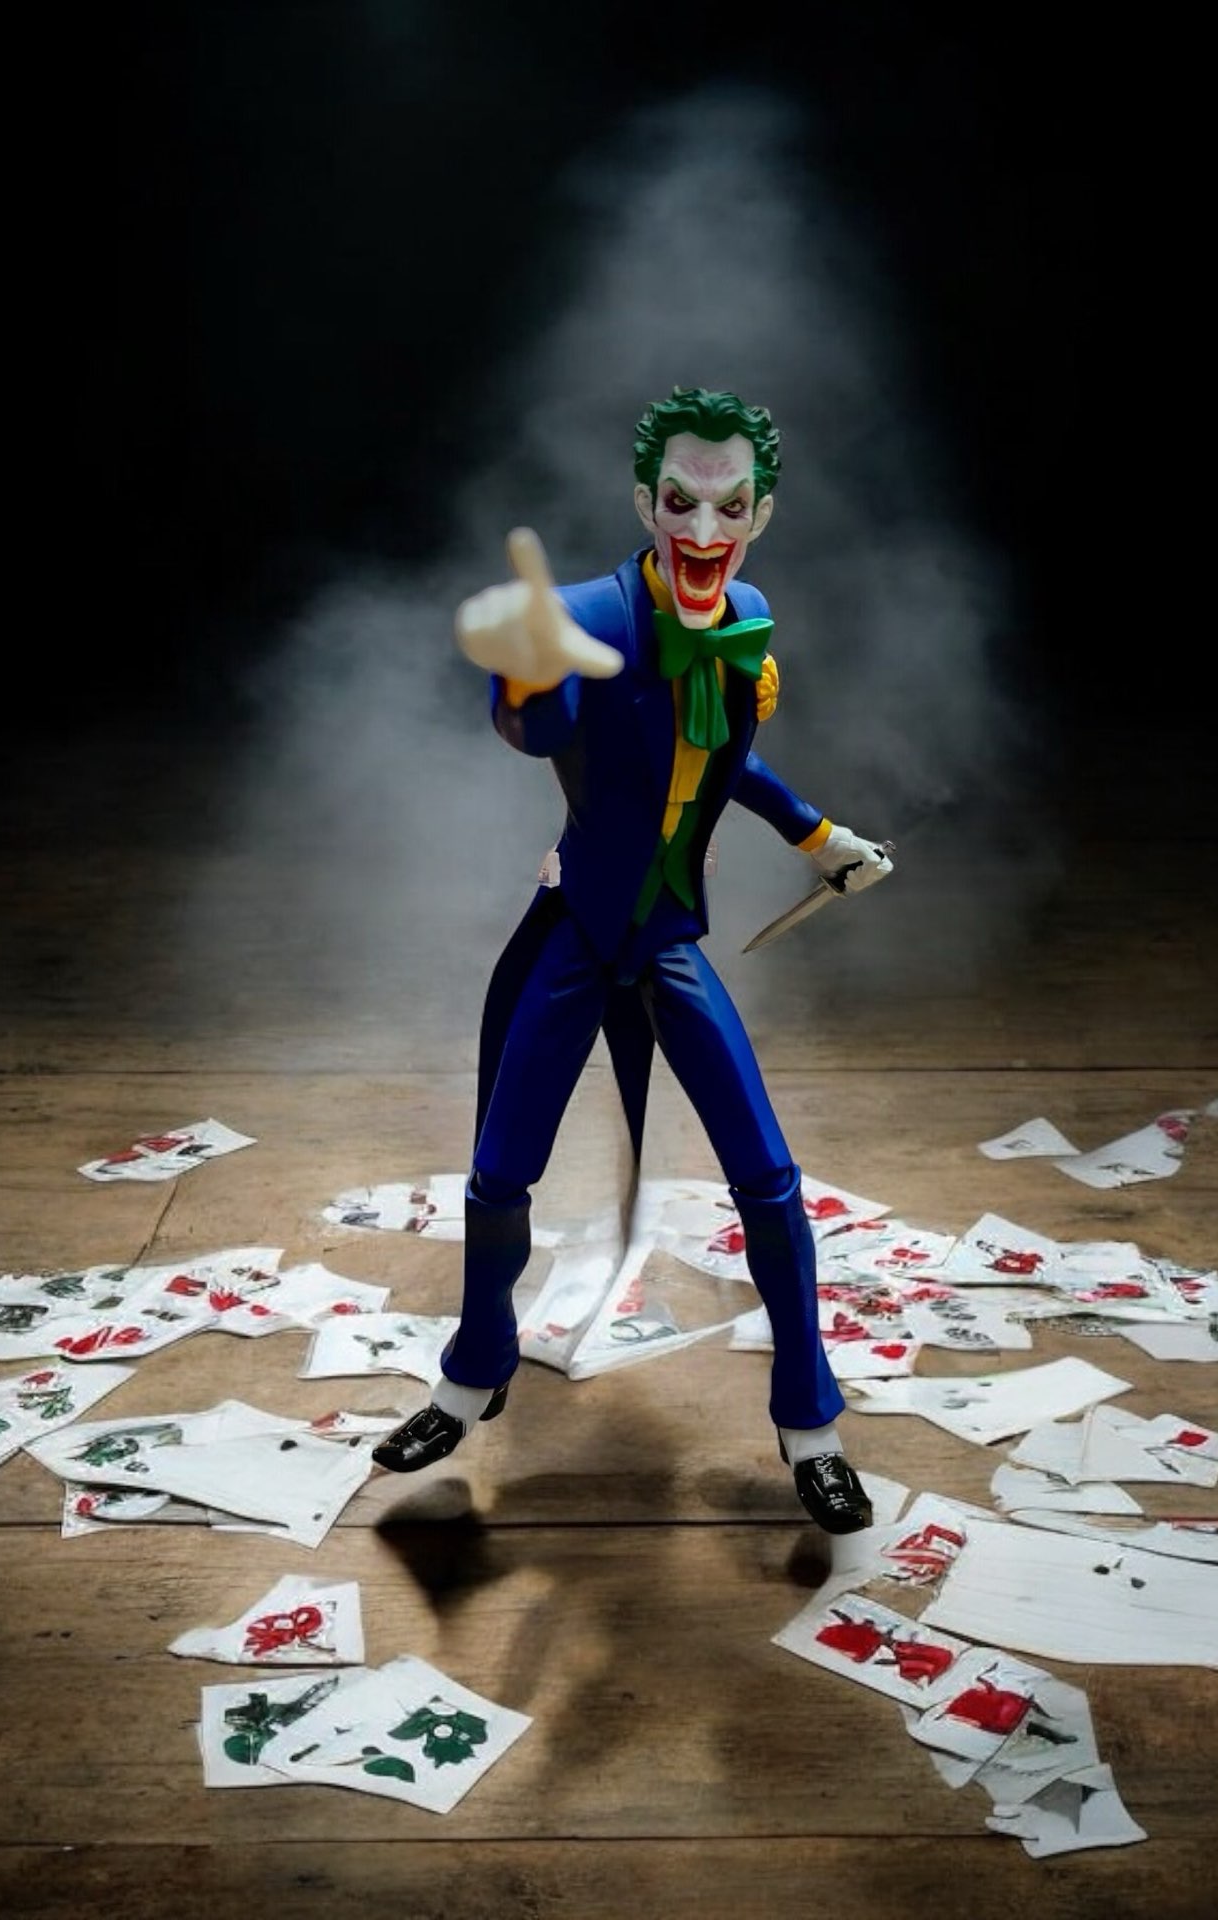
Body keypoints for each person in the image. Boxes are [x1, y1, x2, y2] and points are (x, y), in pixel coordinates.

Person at [371, 386, 893, 1534]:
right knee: (499, 1174)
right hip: (577, 930)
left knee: (768, 1180)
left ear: (762, 513)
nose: (704, 531)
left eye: (731, 507)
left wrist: (820, 836)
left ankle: (811, 1429)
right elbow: (542, 730)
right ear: (643, 501)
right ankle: (470, 1379)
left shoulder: (746, 615)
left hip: (667, 939)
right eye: (680, 503)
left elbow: (724, 760)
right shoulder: (585, 615)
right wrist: (525, 669)